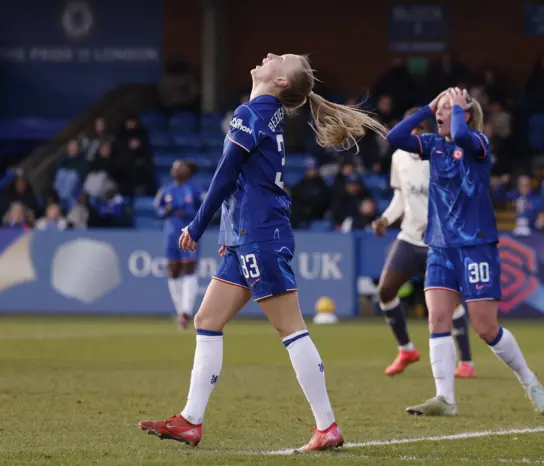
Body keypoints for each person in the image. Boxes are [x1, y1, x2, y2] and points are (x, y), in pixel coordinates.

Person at [138, 53, 387, 451]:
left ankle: (327, 426)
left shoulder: (251, 113)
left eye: (280, 58)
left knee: (290, 327)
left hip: (260, 235)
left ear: (282, 81)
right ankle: (190, 420)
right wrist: (228, 231)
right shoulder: (265, 114)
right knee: (207, 318)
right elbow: (244, 180)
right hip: (246, 236)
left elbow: (225, 174)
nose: (270, 55)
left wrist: (197, 225)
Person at [386, 87, 544, 416]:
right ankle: (445, 398)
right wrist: (428, 107)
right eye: (440, 109)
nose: (441, 114)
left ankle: (528, 377)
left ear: (467, 114)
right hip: (440, 246)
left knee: (485, 327)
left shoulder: (478, 143)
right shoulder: (432, 145)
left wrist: (458, 110)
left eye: (448, 108)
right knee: (438, 317)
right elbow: (394, 137)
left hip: (476, 245)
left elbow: (461, 134)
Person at [371, 107, 475, 378]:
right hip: (408, 237)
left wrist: (443, 221)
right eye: (411, 131)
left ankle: (466, 362)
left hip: (437, 241)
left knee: (447, 301)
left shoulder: (440, 156)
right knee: (386, 291)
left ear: (427, 131)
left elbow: (458, 196)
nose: (414, 135)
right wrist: (384, 219)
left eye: (418, 130)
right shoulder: (399, 158)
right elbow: (401, 199)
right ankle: (406, 349)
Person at [154, 160, 204, 329]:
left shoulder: (195, 189)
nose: (175, 170)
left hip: (189, 233)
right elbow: (157, 208)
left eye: (179, 167)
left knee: (189, 267)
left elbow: (205, 210)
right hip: (170, 233)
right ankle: (179, 311)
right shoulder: (166, 189)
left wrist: (188, 213)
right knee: (173, 269)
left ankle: (186, 311)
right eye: (174, 167)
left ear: (188, 171)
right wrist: (164, 211)